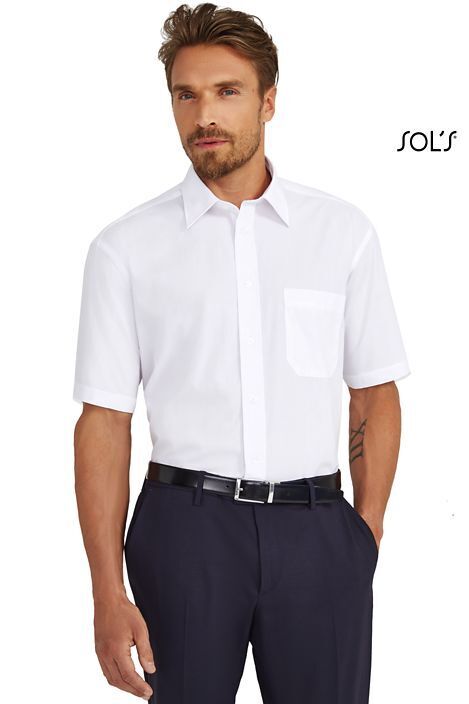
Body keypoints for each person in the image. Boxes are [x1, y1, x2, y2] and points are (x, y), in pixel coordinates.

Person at [72, 3, 411, 703]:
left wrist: (364, 534)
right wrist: (106, 590)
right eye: (186, 94)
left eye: (227, 91)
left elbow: (374, 390)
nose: (204, 115)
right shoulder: (124, 249)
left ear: (268, 100)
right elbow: (103, 420)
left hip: (319, 530)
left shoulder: (341, 233)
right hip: (184, 533)